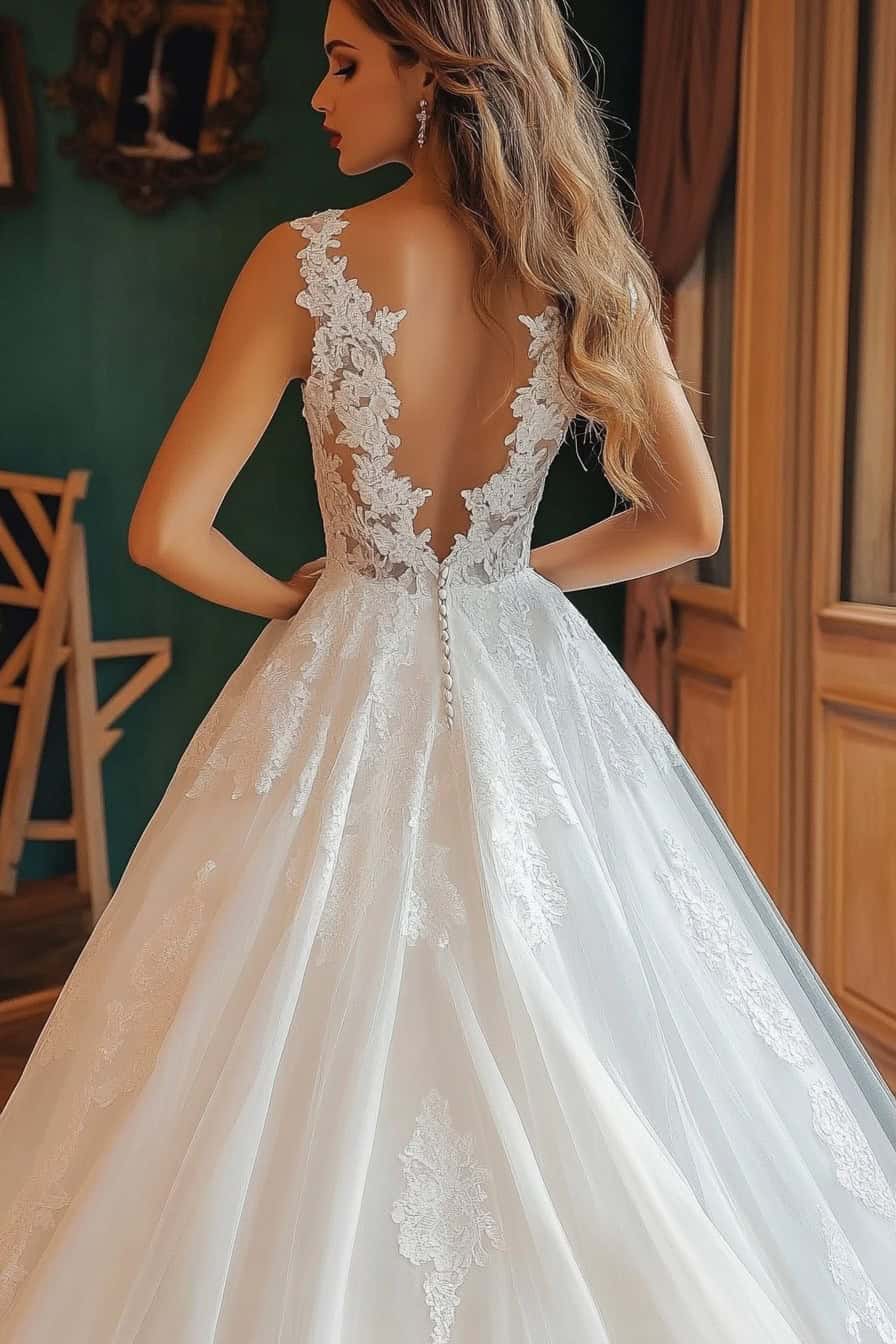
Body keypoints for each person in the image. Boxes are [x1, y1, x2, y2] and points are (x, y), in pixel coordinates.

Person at [2, 1, 894, 1339]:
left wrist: (301, 597)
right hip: (523, 664)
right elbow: (686, 524)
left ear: (440, 79)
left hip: (350, 664)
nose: (318, 95)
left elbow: (165, 531)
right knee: (580, 1004)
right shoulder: (585, 265)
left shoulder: (305, 261)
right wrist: (513, 579)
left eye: (347, 62)